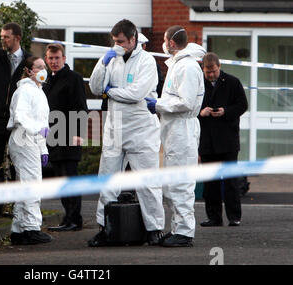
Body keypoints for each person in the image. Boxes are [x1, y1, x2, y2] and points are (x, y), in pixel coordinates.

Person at [88, 19, 165, 247]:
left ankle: (154, 229)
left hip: (141, 128)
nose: (117, 45)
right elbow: (94, 88)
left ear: (133, 39)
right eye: (114, 41)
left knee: (148, 181)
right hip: (115, 127)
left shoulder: (147, 61)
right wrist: (102, 64)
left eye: (121, 41)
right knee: (107, 179)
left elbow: (136, 93)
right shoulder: (112, 58)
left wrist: (110, 92)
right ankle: (105, 228)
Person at [145, 25, 206, 247]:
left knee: (181, 183)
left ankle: (185, 232)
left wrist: (158, 104)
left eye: (164, 40)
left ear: (171, 42)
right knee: (172, 183)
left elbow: (187, 102)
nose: (163, 43)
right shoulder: (179, 65)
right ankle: (178, 228)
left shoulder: (187, 67)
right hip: (174, 130)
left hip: (183, 129)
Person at [0, 23, 31, 217]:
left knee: (17, 161)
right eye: (1, 36)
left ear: (17, 37)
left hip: (18, 119)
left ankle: (17, 206)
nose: (3, 40)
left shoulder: (28, 61)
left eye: (7, 37)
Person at [198, 52, 248, 227]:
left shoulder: (233, 82)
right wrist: (201, 112)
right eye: (207, 72)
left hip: (227, 140)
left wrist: (225, 111)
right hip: (207, 141)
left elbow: (243, 105)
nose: (211, 75)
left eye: (213, 71)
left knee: (230, 182)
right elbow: (190, 106)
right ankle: (214, 217)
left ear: (219, 67)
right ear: (202, 69)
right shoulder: (198, 83)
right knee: (210, 182)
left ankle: (234, 216)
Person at [7, 56, 53, 245]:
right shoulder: (25, 91)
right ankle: (32, 228)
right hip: (24, 140)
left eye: (45, 67)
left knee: (25, 185)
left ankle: (19, 229)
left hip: (31, 142)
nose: (43, 70)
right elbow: (21, 116)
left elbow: (41, 122)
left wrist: (43, 148)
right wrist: (36, 131)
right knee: (32, 185)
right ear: (28, 70)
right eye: (39, 67)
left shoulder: (38, 91)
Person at [43, 44, 88, 232]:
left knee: (70, 178)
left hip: (69, 135)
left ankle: (74, 219)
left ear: (64, 58)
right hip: (53, 136)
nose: (54, 62)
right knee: (60, 178)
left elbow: (81, 108)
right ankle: (67, 217)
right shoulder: (47, 81)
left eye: (57, 58)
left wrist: (79, 134)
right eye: (50, 58)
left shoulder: (74, 78)